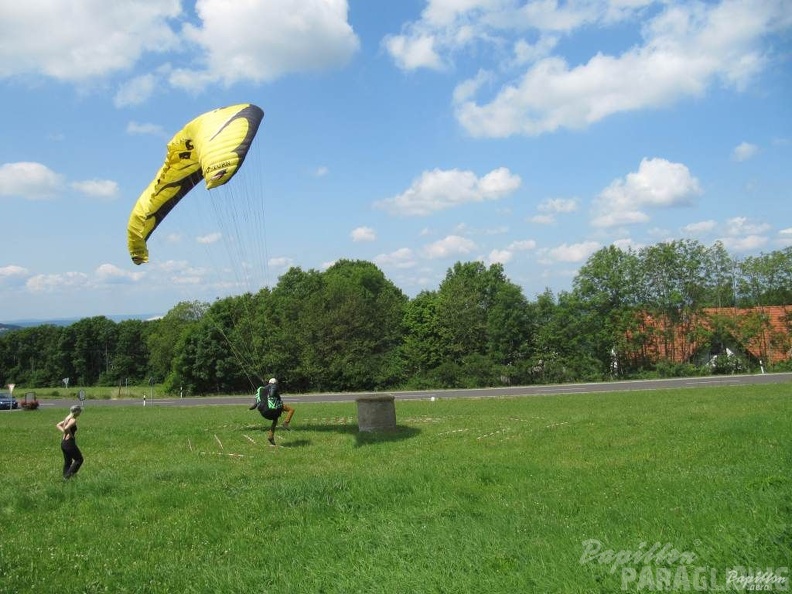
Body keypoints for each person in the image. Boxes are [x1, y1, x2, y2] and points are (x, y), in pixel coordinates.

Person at [248, 378, 294, 445]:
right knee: (291, 410)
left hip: (263, 412)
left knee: (275, 420)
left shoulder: (261, 389)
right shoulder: (274, 386)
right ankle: (286, 423)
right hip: (272, 409)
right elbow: (272, 394)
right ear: (275, 383)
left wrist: (251, 408)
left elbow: (255, 404)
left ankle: (271, 436)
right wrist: (278, 400)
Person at [56, 405, 84, 479]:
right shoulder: (73, 420)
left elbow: (58, 425)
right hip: (69, 443)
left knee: (68, 462)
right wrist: (71, 435)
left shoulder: (67, 418)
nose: (80, 412)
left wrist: (65, 433)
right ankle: (67, 477)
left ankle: (65, 477)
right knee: (79, 459)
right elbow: (66, 428)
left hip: (64, 443)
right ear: (76, 412)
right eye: (80, 411)